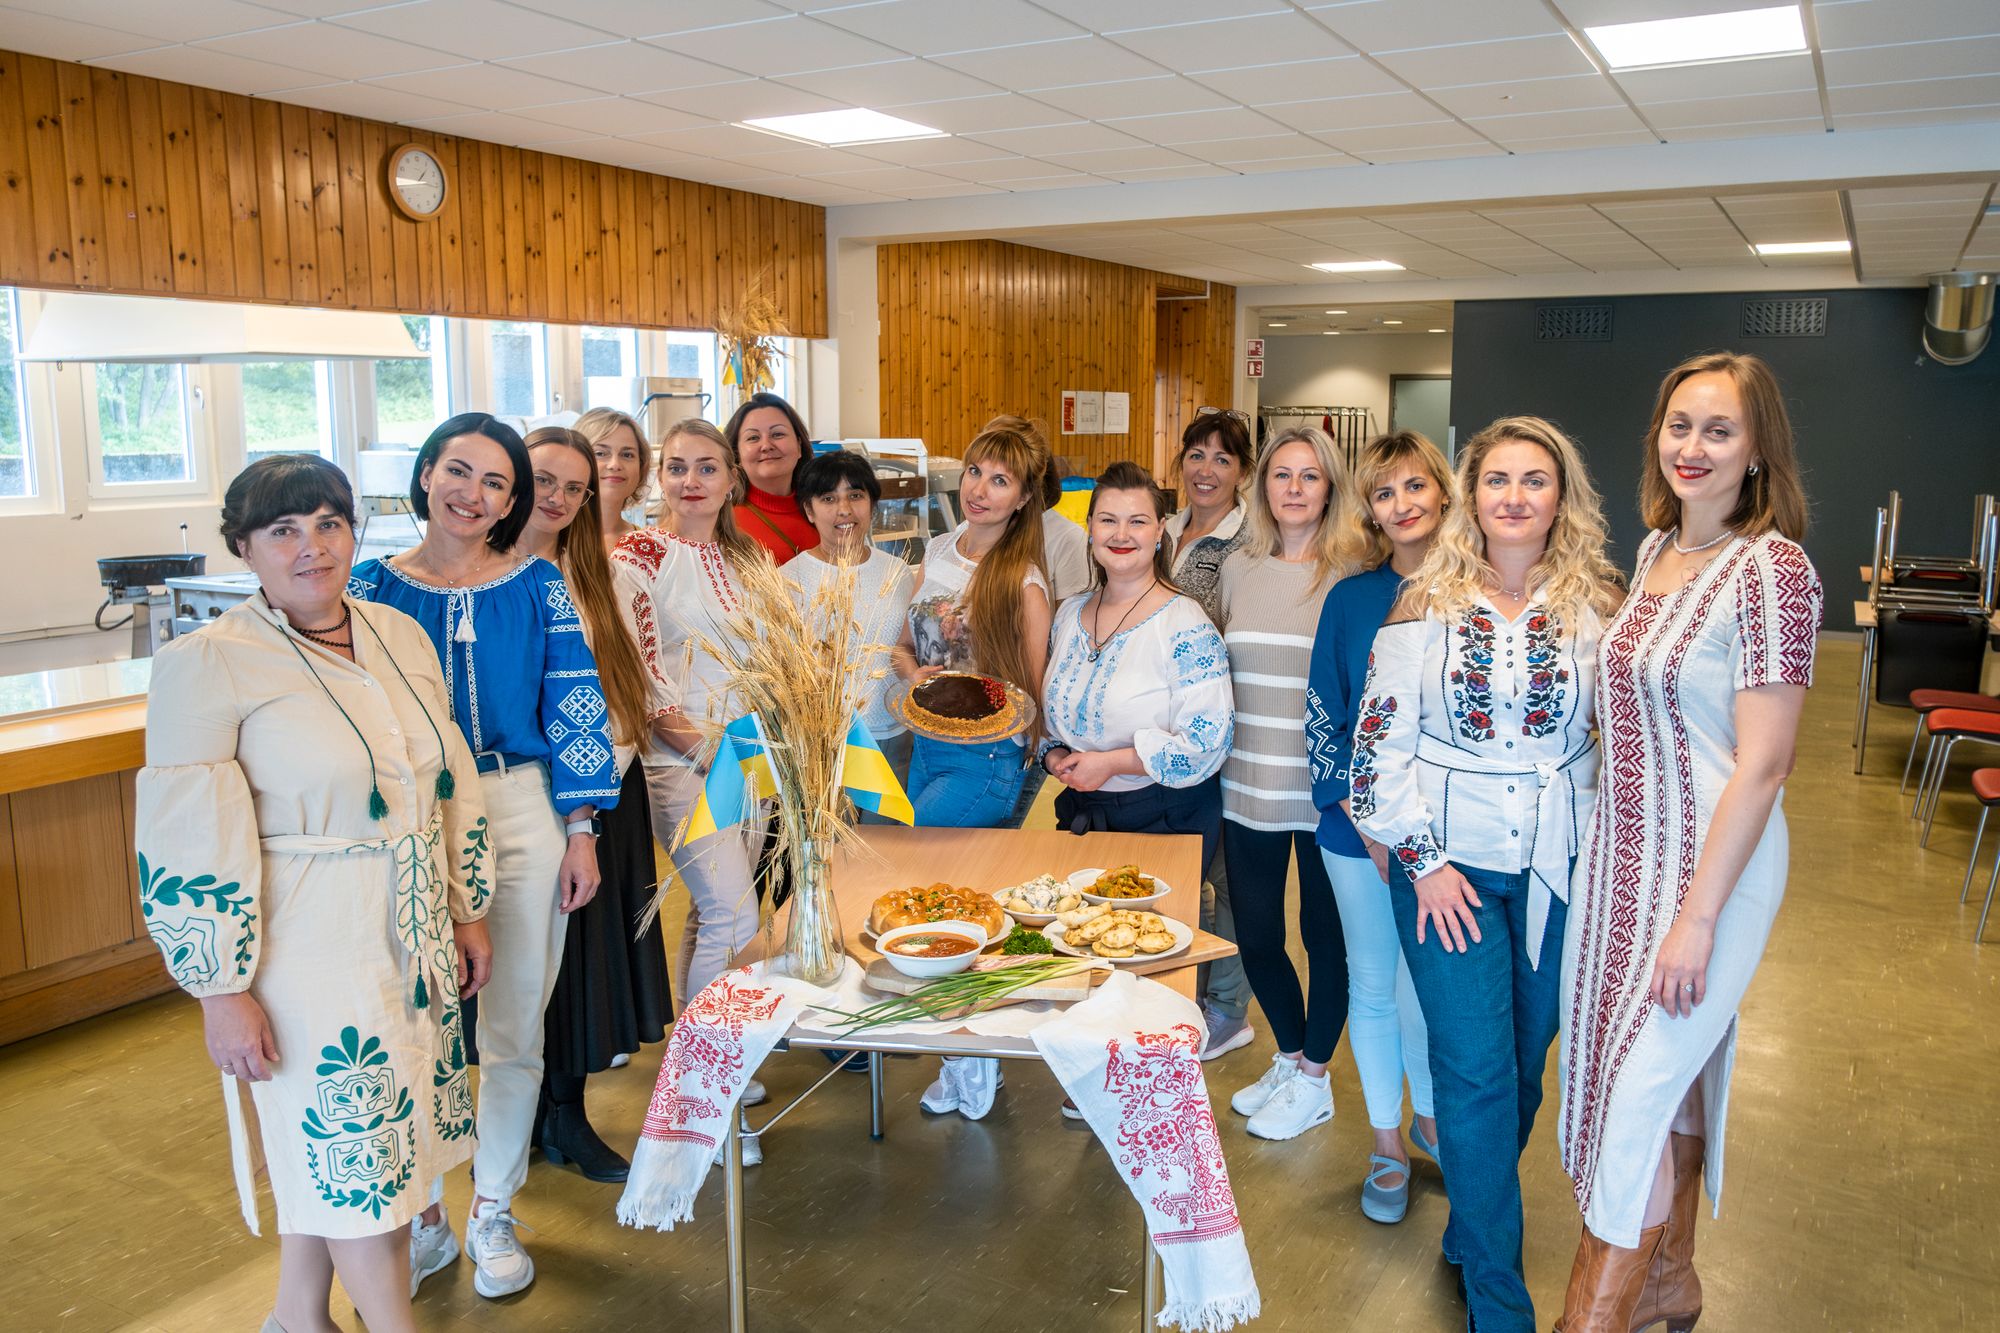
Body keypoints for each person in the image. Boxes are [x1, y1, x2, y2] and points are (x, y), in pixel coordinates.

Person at [137, 454, 491, 1333]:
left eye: (329, 523)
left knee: (374, 1148)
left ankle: (299, 1317)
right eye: (283, 530)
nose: (311, 547)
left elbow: (446, 776)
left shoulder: (397, 633)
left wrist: (464, 903)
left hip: (408, 932)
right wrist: (221, 989)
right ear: (243, 548)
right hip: (305, 942)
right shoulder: (207, 662)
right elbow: (188, 830)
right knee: (358, 1156)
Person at [1555, 354, 1821, 1332]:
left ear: (1757, 449)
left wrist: (1697, 919)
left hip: (1711, 873)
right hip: (1622, 862)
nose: (1692, 447)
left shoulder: (1773, 573)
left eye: (1718, 430)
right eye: (1678, 425)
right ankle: (1669, 1281)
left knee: (1635, 1094)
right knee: (1635, 1085)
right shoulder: (1658, 547)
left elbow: (1763, 764)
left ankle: (1590, 1315)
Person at [1351, 416, 1623, 1333]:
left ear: (1561, 498)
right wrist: (1422, 863)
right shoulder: (1424, 602)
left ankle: (1471, 1226)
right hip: (1448, 869)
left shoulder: (1598, 607)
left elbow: (1613, 749)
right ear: (1472, 497)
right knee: (1472, 1073)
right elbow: (1374, 752)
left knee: (1526, 1067)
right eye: (1497, 479)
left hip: (1556, 870)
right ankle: (1499, 1305)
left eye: (1534, 480)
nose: (1514, 496)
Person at [351, 413, 617, 1300]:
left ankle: (494, 1202)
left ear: (513, 500)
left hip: (521, 803)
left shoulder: (538, 584)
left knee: (513, 1024)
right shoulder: (366, 589)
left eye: (496, 482)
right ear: (425, 475)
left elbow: (575, 700)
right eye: (458, 471)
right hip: (410, 815)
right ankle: (423, 1209)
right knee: (414, 1021)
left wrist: (581, 826)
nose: (474, 493)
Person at [1305, 430, 1453, 1224]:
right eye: (1385, 492)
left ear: (1442, 491)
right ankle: (1388, 1141)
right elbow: (1325, 712)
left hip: (1449, 836)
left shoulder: (1475, 590)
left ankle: (1432, 1118)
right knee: (1373, 979)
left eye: (1415, 486)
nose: (1401, 505)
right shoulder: (1351, 598)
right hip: (1353, 834)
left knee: (1423, 987)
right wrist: (1364, 821)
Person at [512, 428, 667, 1186]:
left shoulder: (600, 575)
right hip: (519, 796)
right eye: (545, 479)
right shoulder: (488, 575)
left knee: (582, 961)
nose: (559, 498)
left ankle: (566, 1111)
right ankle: (527, 1108)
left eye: (575, 489)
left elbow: (632, 682)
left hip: (604, 787)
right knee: (525, 958)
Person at [891, 420, 1053, 1120]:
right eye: (977, 471)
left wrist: (1025, 767)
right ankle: (963, 1057)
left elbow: (1037, 690)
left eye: (1001, 479)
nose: (981, 489)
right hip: (924, 741)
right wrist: (912, 671)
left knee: (944, 891)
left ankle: (975, 1055)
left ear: (1022, 498)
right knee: (946, 897)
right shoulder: (932, 551)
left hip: (987, 757)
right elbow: (900, 642)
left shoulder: (1022, 577)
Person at [1216, 426, 1361, 1143]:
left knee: (1323, 936)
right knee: (1260, 937)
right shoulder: (1239, 568)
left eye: (1310, 475)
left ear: (1330, 486)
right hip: (1247, 781)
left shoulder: (1353, 570)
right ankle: (1290, 1052)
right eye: (1282, 474)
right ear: (1263, 485)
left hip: (1326, 790)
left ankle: (1314, 1078)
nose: (1295, 487)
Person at [1041, 461, 1234, 872]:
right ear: (1090, 526)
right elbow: (1052, 711)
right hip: (1081, 817)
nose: (1122, 534)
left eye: (1138, 521)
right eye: (1108, 520)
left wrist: (1111, 763)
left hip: (1162, 822)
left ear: (1160, 530)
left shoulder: (1185, 623)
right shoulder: (1069, 615)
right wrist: (1054, 753)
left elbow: (1206, 743)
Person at [1162, 407, 1256, 1059]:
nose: (1207, 469)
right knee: (1175, 866)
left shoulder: (1248, 544)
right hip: (1158, 730)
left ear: (1242, 472)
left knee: (1226, 874)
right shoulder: (1161, 527)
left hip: (1224, 727)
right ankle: (1175, 990)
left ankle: (1227, 1004)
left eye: (1223, 458)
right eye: (1197, 454)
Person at [779, 448, 917, 805]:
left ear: (872, 504)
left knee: (888, 851)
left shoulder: (898, 572)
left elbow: (901, 647)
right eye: (828, 498)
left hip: (892, 735)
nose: (844, 510)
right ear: (809, 510)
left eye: (855, 495)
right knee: (831, 854)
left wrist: (920, 681)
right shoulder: (787, 579)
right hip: (824, 742)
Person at [727, 391, 818, 561]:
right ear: (737, 454)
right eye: (753, 438)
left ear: (799, 446)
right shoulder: (724, 523)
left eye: (777, 434)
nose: (766, 446)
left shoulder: (824, 508)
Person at [574, 406, 650, 547]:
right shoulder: (551, 539)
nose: (615, 465)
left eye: (627, 455)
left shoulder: (649, 546)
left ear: (641, 466)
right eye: (601, 453)